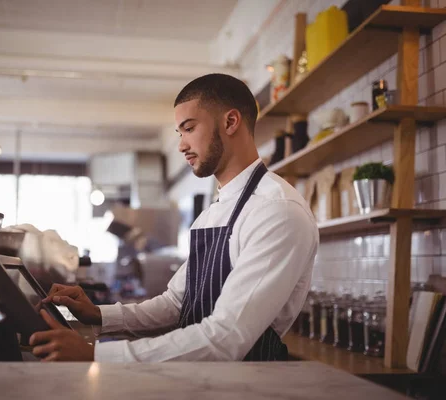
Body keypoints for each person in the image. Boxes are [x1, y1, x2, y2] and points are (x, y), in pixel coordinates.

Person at [30, 73, 319, 362]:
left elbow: (226, 337)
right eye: (179, 133)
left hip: (246, 386)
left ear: (231, 122)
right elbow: (176, 304)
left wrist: (97, 356)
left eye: (189, 129)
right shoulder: (214, 212)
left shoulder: (277, 210)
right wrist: (98, 314)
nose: (181, 145)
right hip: (199, 380)